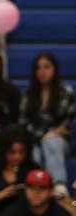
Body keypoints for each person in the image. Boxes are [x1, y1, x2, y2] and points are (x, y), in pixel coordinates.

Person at [19, 51, 75, 197]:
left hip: (59, 142)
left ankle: (59, 186)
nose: (42, 71)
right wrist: (47, 133)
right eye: (39, 68)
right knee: (35, 154)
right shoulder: (27, 94)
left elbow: (68, 122)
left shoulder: (66, 93)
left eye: (47, 67)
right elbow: (23, 122)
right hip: (33, 140)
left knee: (52, 142)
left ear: (54, 69)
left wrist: (53, 133)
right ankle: (40, 190)